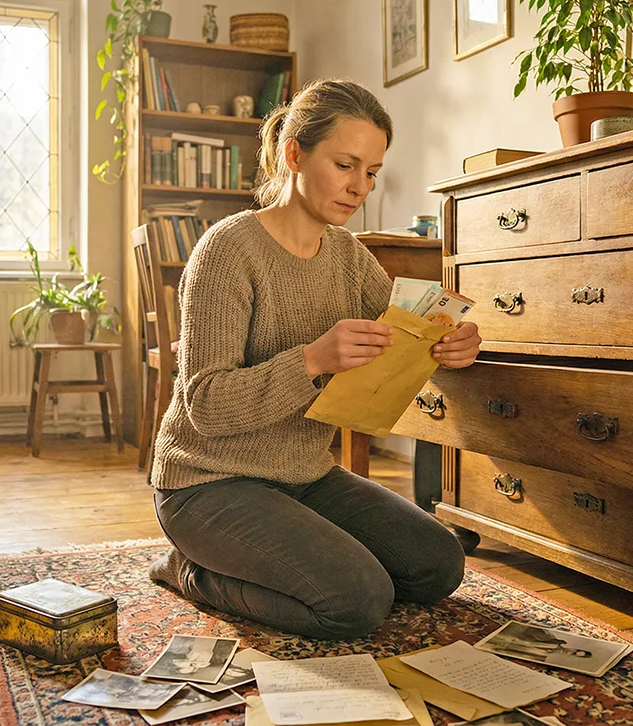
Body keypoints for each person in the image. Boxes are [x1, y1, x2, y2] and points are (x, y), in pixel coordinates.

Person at [146, 78, 482, 640]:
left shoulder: (349, 257)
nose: (360, 187)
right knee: (357, 601)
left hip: (304, 476)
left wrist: (455, 344)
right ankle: (190, 570)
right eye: (346, 164)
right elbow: (203, 405)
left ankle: (292, 552)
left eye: (371, 172)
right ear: (294, 153)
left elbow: (411, 330)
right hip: (207, 483)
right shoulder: (227, 251)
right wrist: (311, 360)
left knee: (438, 563)